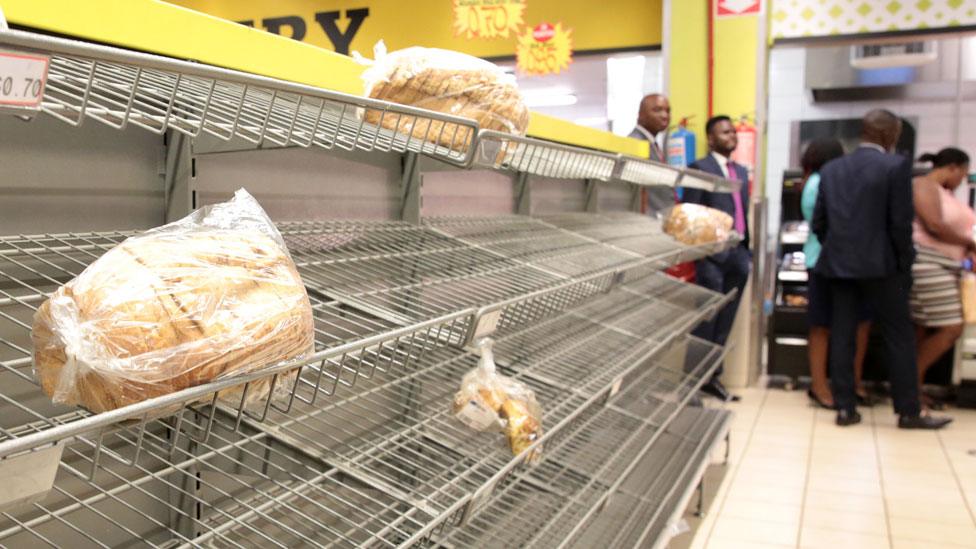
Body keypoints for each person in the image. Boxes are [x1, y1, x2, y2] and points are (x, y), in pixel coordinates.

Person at [813, 109, 951, 429]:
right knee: (898, 337)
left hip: (840, 265)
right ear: (890, 135)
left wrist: (840, 249)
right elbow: (900, 223)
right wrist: (905, 263)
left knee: (843, 335)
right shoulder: (896, 166)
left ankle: (845, 408)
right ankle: (908, 411)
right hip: (884, 267)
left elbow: (819, 223)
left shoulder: (832, 169)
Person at [799, 138, 873, 409]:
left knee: (831, 324)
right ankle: (823, 385)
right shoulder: (822, 182)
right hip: (827, 260)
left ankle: (842, 383)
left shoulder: (813, 181)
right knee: (826, 325)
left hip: (829, 259)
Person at [682, 115, 751, 402]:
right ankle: (692, 384)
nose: (732, 136)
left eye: (733, 132)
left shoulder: (740, 171)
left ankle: (713, 378)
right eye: (725, 132)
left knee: (726, 321)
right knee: (706, 322)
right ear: (711, 138)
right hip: (711, 258)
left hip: (739, 255)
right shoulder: (701, 168)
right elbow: (691, 213)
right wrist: (704, 253)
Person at [910, 147, 975, 410]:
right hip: (928, 266)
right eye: (963, 174)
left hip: (948, 267)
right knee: (951, 328)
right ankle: (910, 384)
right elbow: (935, 224)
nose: (962, 180)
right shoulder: (924, 186)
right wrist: (970, 243)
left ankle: (913, 388)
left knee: (924, 330)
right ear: (954, 167)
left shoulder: (945, 194)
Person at [629, 94, 675, 212]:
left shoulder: (652, 144)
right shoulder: (635, 143)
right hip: (647, 221)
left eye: (668, 111)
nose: (665, 116)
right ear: (640, 115)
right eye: (657, 110)